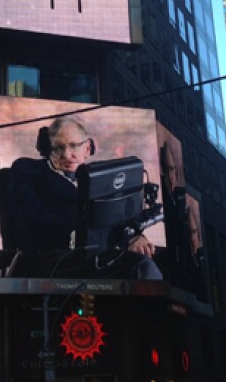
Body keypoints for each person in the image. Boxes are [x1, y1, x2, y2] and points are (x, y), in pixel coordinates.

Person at [10, 116, 161, 280]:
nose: (67, 155)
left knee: (162, 260)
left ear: (88, 148)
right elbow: (32, 220)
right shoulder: (27, 170)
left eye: (74, 146)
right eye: (58, 148)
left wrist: (135, 236)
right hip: (57, 256)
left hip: (104, 251)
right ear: (47, 149)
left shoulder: (102, 178)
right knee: (140, 266)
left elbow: (118, 218)